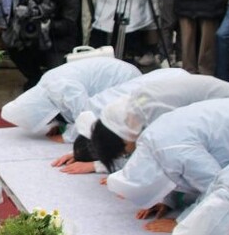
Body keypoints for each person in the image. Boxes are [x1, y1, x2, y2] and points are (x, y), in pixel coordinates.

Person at [106, 95, 229, 225]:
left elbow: (219, 186)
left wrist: (183, 221)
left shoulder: (173, 149)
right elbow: (174, 173)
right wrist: (167, 201)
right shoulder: (152, 144)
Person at [85, 73, 229, 175]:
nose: (127, 155)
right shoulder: (139, 110)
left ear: (122, 140)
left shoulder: (153, 112)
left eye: (123, 153)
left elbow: (184, 164)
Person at [51, 67, 192, 172]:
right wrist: (79, 153)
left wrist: (96, 166)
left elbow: (149, 160)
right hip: (171, 80)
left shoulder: (136, 123)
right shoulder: (107, 119)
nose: (123, 155)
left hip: (181, 90)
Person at [0, 56, 140, 139]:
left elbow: (86, 115)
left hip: (125, 81)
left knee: (113, 130)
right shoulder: (47, 86)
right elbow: (64, 107)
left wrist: (67, 137)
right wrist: (61, 125)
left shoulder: (61, 85)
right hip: (116, 78)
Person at [5, 0, 79, 90]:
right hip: (35, 41)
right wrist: (24, 13)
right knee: (15, 48)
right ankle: (35, 79)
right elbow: (19, 21)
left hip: (58, 44)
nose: (48, 1)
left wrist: (49, 25)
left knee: (56, 82)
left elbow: (68, 25)